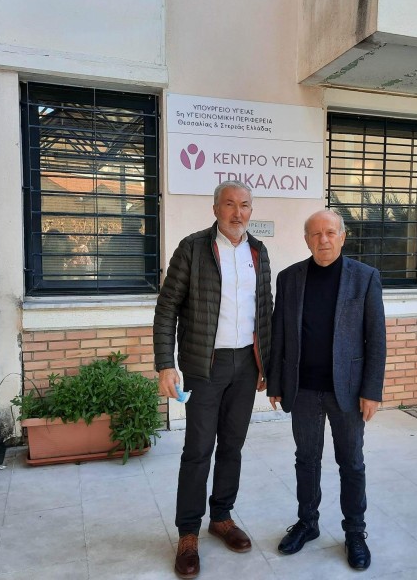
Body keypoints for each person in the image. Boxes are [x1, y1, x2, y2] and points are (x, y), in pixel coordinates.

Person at [153, 180, 272, 579]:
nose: (238, 213)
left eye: (245, 205)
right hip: (205, 365)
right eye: (230, 204)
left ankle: (221, 517)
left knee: (233, 445)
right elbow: (167, 306)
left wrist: (266, 363)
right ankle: (188, 533)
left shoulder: (258, 251)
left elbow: (265, 309)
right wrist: (165, 364)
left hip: (246, 364)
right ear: (216, 208)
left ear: (251, 210)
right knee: (198, 449)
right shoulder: (192, 248)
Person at [267, 209, 386, 571]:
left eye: (330, 232)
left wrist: (371, 390)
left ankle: (355, 532)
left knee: (351, 462)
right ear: (306, 240)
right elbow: (279, 332)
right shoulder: (289, 278)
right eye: (316, 234)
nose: (323, 240)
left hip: (346, 391)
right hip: (302, 389)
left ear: (342, 237)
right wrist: (275, 382)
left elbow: (376, 338)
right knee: (306, 459)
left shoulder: (365, 278)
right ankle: (307, 523)